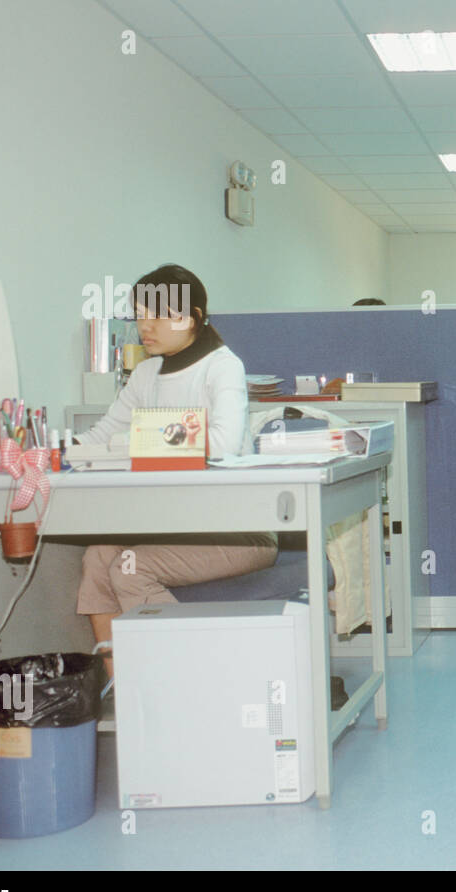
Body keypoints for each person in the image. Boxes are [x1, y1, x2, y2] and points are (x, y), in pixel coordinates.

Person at [75, 265, 277, 672]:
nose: (144, 326)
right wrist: (56, 451)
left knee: (131, 568)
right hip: (171, 523)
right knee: (98, 557)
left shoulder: (222, 366)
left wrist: (141, 440)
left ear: (194, 318)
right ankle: (124, 685)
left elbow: (220, 444)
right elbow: (102, 434)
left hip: (239, 529)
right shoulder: (147, 373)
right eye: (139, 314)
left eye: (158, 314)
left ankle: (180, 676)